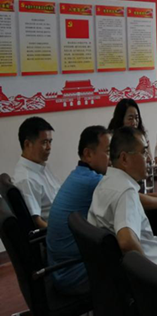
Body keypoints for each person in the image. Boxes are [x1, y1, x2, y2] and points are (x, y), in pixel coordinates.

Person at [88, 127, 157, 273]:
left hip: (121, 268)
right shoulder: (126, 192)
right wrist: (151, 275)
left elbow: (143, 240)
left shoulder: (105, 183)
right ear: (124, 159)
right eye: (143, 152)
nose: (149, 158)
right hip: (154, 271)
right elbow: (126, 241)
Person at [46, 126, 111, 294]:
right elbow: (128, 196)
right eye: (108, 152)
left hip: (58, 268)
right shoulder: (91, 181)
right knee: (129, 260)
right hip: (72, 273)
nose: (111, 158)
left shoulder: (78, 174)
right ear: (88, 154)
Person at [13, 116, 61, 229]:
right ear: (27, 144)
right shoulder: (26, 179)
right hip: (58, 230)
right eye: (44, 142)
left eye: (50, 142)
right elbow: (37, 221)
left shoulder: (41, 165)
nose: (49, 147)